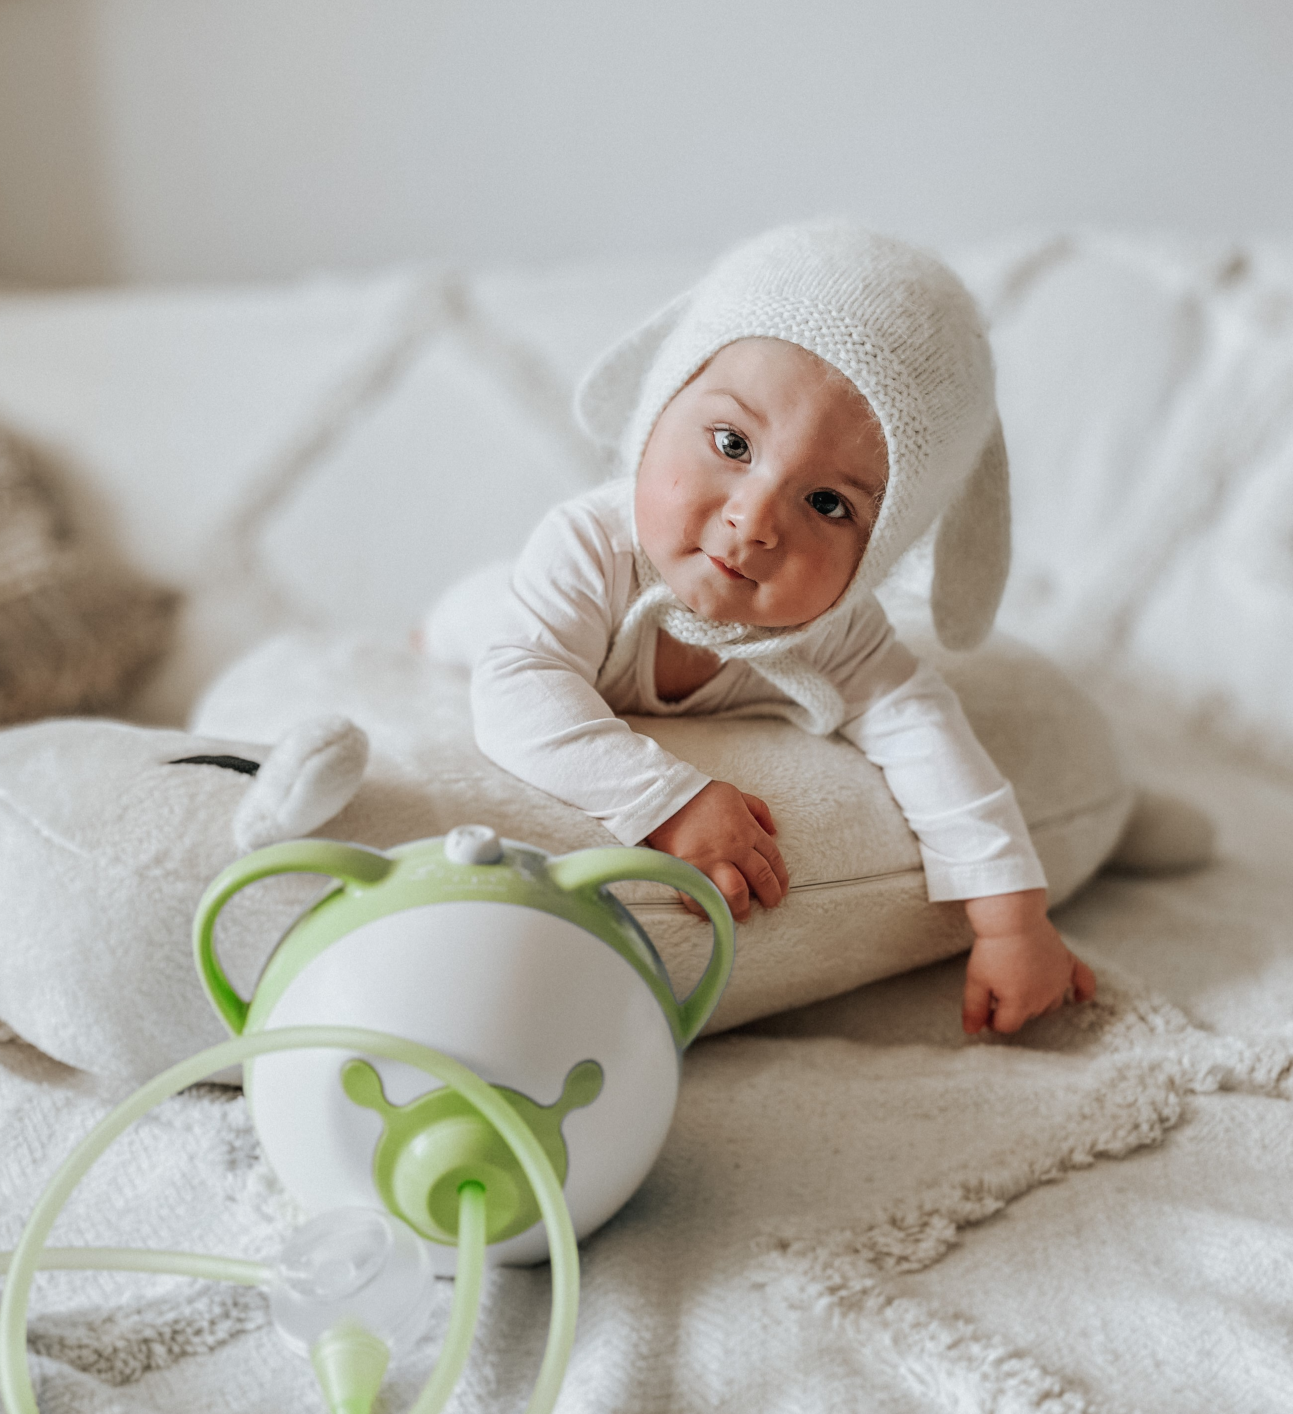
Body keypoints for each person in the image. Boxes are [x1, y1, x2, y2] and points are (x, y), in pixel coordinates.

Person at [424, 222, 1094, 1036]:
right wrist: (669, 801)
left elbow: (919, 725)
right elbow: (518, 684)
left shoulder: (838, 628)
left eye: (828, 504)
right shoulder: (590, 546)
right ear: (660, 405)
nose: (753, 522)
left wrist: (1012, 920)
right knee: (473, 621)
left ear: (878, 554)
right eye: (733, 443)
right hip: (491, 616)